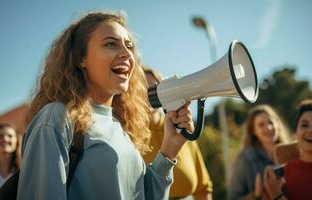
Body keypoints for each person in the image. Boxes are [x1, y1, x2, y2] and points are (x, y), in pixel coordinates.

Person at [17, 11, 194, 200]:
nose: (127, 54)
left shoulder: (121, 125)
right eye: (111, 44)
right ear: (80, 58)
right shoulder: (56, 119)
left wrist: (169, 149)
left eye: (129, 46)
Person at [142, 67, 213, 200]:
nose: (147, 93)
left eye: (153, 87)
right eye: (140, 87)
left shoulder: (181, 130)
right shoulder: (127, 136)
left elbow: (203, 188)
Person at [264, 99, 312, 200]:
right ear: (296, 133)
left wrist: (277, 196)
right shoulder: (277, 179)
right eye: (304, 125)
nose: (311, 130)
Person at [228, 105, 290, 200]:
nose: (269, 127)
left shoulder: (290, 153)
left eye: (271, 122)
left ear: (277, 124)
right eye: (261, 125)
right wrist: (255, 195)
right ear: (253, 131)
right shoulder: (245, 160)